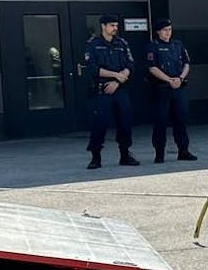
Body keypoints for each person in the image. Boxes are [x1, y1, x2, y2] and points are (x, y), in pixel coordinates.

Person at [83, 14, 139, 170]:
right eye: (112, 25)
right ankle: (95, 157)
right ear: (103, 26)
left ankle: (125, 154)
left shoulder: (122, 43)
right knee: (99, 124)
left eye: (116, 25)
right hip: (102, 90)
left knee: (125, 122)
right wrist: (115, 75)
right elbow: (92, 68)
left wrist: (118, 81)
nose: (115, 28)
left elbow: (130, 64)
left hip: (120, 89)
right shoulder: (93, 44)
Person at [146, 19, 197, 164]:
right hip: (162, 89)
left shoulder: (177, 44)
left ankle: (183, 150)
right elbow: (152, 67)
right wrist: (169, 80)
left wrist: (180, 79)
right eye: (164, 30)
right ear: (158, 31)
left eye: (169, 29)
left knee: (180, 120)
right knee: (160, 122)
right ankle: (159, 153)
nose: (168, 32)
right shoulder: (152, 46)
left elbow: (186, 63)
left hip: (179, 87)